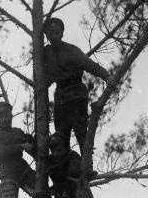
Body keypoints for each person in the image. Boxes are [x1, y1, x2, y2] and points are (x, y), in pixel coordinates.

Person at [43, 17, 113, 155]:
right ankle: (67, 171)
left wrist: (107, 76)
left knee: (81, 131)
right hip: (61, 95)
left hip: (76, 93)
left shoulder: (71, 50)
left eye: (56, 32)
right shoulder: (46, 53)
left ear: (62, 33)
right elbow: (45, 75)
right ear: (46, 35)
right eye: (50, 33)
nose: (54, 36)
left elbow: (90, 65)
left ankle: (87, 167)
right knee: (61, 135)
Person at [0, 101, 36, 196]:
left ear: (11, 115)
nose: (5, 119)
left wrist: (32, 144)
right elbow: (0, 151)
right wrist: (21, 146)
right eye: (1, 117)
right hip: (7, 170)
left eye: (7, 115)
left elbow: (30, 146)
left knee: (39, 187)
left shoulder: (18, 132)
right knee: (10, 194)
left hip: (22, 167)